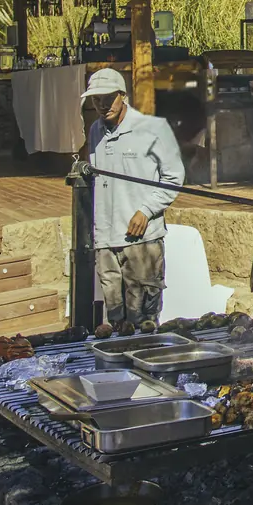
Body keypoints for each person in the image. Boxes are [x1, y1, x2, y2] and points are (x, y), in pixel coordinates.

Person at [84, 67, 185, 331]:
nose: (103, 105)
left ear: (123, 95)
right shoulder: (95, 131)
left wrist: (146, 210)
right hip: (106, 239)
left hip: (141, 239)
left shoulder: (152, 129)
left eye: (108, 98)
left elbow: (174, 177)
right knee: (116, 319)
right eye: (96, 99)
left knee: (144, 319)